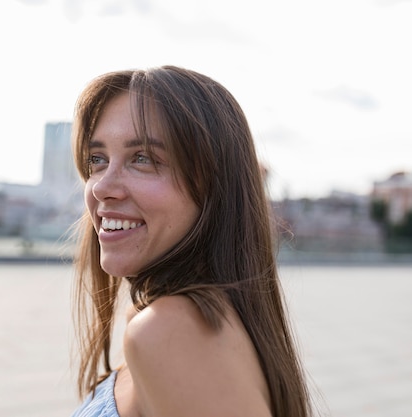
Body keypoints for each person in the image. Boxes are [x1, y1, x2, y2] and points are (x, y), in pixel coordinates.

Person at [69, 65, 313, 417]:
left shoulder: (170, 331)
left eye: (143, 158)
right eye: (98, 159)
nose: (102, 187)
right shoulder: (196, 319)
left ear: (213, 187)